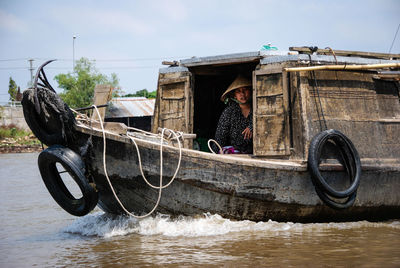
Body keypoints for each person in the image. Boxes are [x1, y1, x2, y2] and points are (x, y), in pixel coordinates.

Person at [213, 75, 253, 154]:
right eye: (238, 91)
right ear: (234, 95)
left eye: (245, 90)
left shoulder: (258, 109)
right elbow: (220, 136)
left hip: (258, 152)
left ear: (251, 91)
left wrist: (252, 126)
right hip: (236, 153)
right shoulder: (229, 112)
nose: (242, 94)